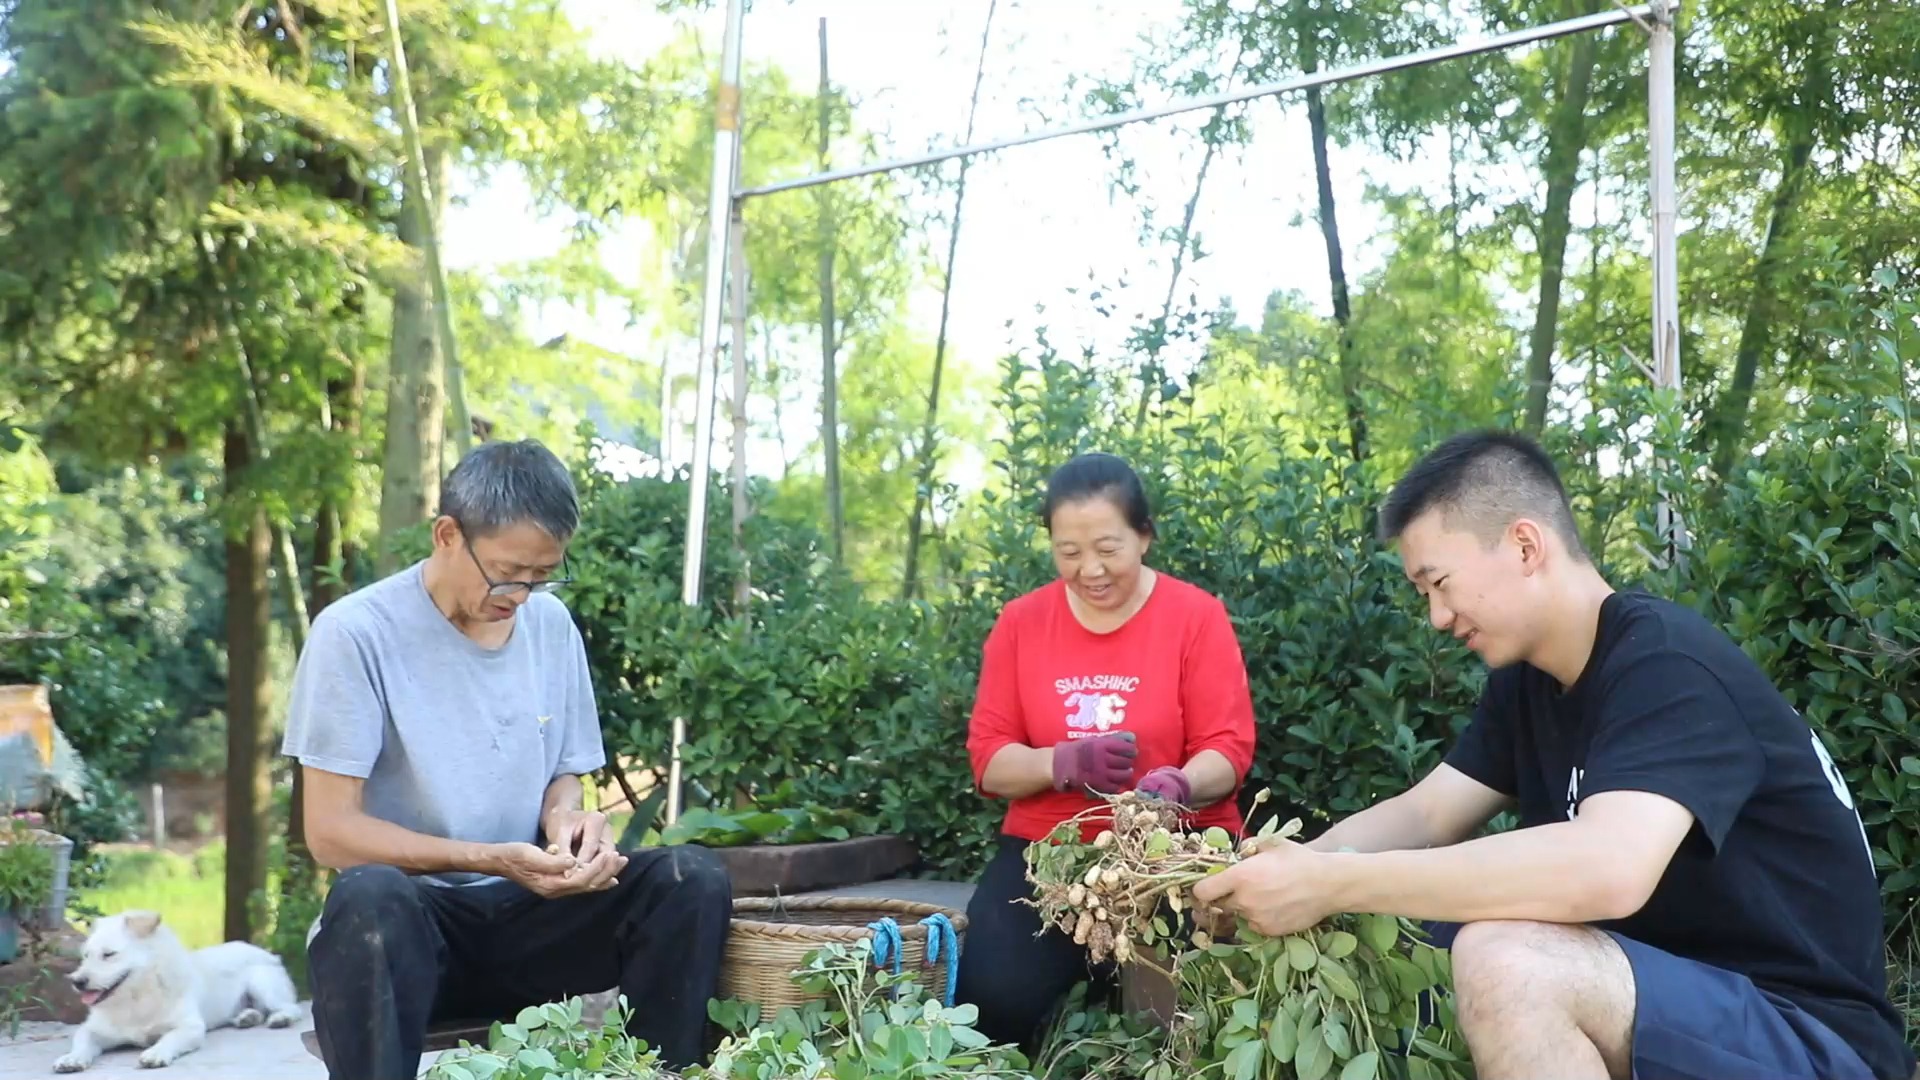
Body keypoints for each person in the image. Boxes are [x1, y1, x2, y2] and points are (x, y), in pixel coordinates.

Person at [1193, 430, 1916, 1080]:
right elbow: (1427, 811)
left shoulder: (1666, 666)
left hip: (1805, 1038)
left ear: (1526, 546)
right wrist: (1284, 871)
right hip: (1672, 1004)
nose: (1436, 618)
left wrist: (1335, 886)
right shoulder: (1528, 683)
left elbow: (1608, 871)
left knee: (1507, 961)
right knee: (1419, 934)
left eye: (1437, 584)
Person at [283, 439, 733, 1080]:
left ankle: (662, 1074)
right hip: (414, 938)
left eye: (541, 576)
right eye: (506, 572)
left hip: (533, 920)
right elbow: (330, 833)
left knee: (688, 878)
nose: (520, 594)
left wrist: (568, 826)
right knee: (370, 897)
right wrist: (490, 857)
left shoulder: (551, 626)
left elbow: (563, 776)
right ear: (447, 534)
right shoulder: (355, 634)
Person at [956, 451, 1258, 1050]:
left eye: (1108, 548)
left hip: (1175, 852)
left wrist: (1179, 786)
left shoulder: (1195, 616)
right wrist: (1060, 763)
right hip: (1048, 854)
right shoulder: (1021, 623)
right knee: (992, 1001)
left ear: (1144, 536)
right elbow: (989, 759)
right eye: (1069, 552)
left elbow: (1227, 749)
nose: (1089, 568)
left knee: (1183, 1023)